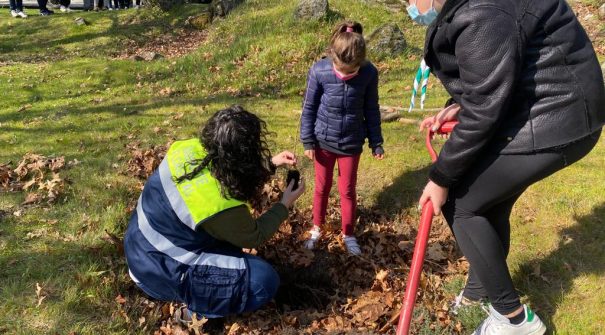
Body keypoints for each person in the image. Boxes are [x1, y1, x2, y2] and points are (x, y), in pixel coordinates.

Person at [408, 0, 605, 334]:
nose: (412, 6)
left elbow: (485, 109)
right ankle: (480, 291)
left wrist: (441, 178)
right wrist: (459, 106)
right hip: (551, 107)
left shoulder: (482, 12)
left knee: (462, 203)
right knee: (489, 201)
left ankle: (514, 320)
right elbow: (501, 71)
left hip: (561, 116)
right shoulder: (474, 7)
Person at [124, 105, 306, 321]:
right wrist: (284, 204)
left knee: (232, 246)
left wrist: (270, 164)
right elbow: (254, 236)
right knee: (263, 281)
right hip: (159, 272)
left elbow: (224, 171)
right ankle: (194, 314)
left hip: (142, 249)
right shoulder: (218, 205)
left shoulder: (187, 149)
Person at [300, 21, 385, 256]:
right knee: (322, 187)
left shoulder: (369, 73)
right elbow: (309, 108)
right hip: (323, 141)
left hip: (351, 143)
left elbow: (371, 109)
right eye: (341, 70)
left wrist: (376, 141)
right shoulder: (320, 71)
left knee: (347, 189)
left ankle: (348, 233)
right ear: (332, 57)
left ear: (361, 63)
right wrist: (308, 140)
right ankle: (317, 227)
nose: (345, 75)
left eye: (351, 71)